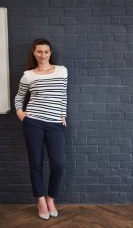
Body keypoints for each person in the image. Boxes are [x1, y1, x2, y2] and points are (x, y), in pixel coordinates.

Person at [15, 38, 67, 220]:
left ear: (50, 53)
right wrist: (21, 114)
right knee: (36, 163)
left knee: (58, 164)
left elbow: (63, 94)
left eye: (46, 52)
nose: (43, 55)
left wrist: (63, 115)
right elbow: (19, 97)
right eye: (39, 52)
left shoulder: (61, 71)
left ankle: (51, 198)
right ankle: (40, 200)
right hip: (33, 123)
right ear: (34, 53)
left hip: (55, 124)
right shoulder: (28, 75)